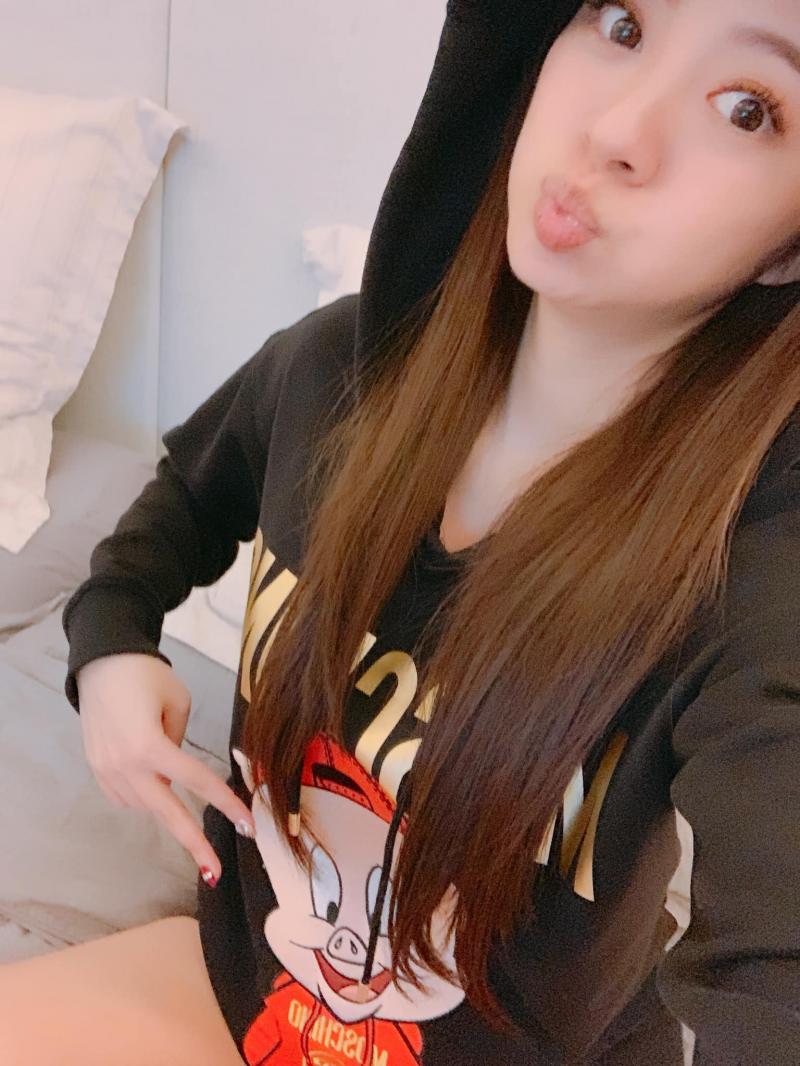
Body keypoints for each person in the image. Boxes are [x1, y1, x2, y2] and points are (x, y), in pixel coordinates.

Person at [2, 0, 799, 1062]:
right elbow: (176, 507)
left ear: (787, 247)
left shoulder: (748, 572)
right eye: (619, 22)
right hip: (239, 992)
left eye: (747, 108)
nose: (617, 131)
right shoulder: (334, 369)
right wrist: (108, 649)